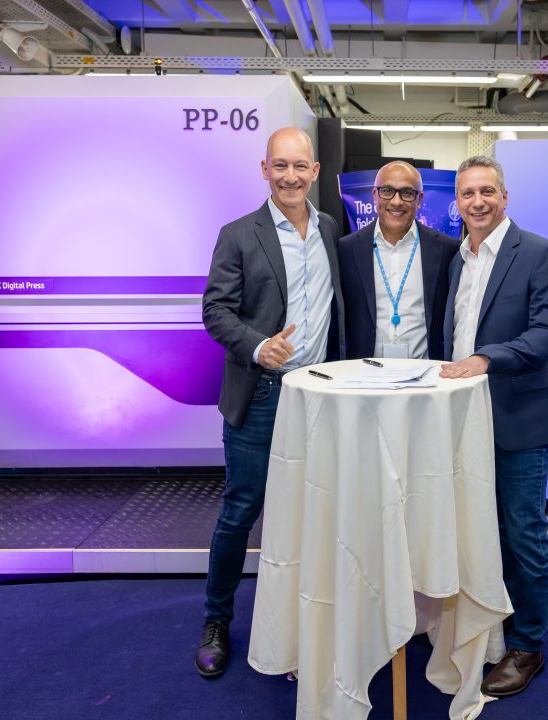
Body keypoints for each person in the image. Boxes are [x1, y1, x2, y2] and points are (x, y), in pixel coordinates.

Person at [195, 126, 344, 678]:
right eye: (280, 165)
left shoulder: (331, 230)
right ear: (265, 170)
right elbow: (215, 311)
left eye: (300, 166)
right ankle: (216, 620)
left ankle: (304, 620)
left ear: (315, 172)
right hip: (262, 393)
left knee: (313, 512)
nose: (290, 176)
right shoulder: (238, 234)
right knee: (242, 510)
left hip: (321, 397)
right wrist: (259, 347)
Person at [439, 155, 548, 697]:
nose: (478, 202)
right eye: (468, 194)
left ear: (505, 197)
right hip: (464, 418)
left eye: (487, 191)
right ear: (457, 203)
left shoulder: (538, 252)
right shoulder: (457, 259)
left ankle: (528, 646)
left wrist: (486, 358)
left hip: (520, 419)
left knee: (523, 533)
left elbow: (546, 335)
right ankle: (491, 627)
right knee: (479, 531)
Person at [338, 161, 459, 360]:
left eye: (407, 193)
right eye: (387, 191)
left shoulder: (447, 249)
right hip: (364, 371)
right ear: (375, 195)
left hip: (427, 371)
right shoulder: (347, 249)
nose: (396, 201)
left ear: (419, 199)